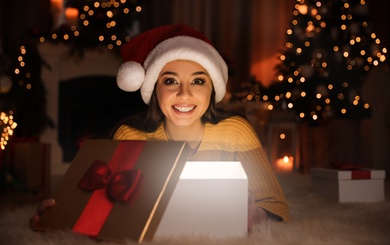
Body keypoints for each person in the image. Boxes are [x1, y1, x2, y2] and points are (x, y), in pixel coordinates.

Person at [30, 24, 289, 232]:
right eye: (170, 81)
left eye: (198, 81)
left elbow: (276, 205)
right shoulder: (130, 136)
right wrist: (58, 215)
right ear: (154, 89)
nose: (184, 94)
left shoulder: (236, 131)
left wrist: (256, 214)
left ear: (213, 89)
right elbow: (98, 207)